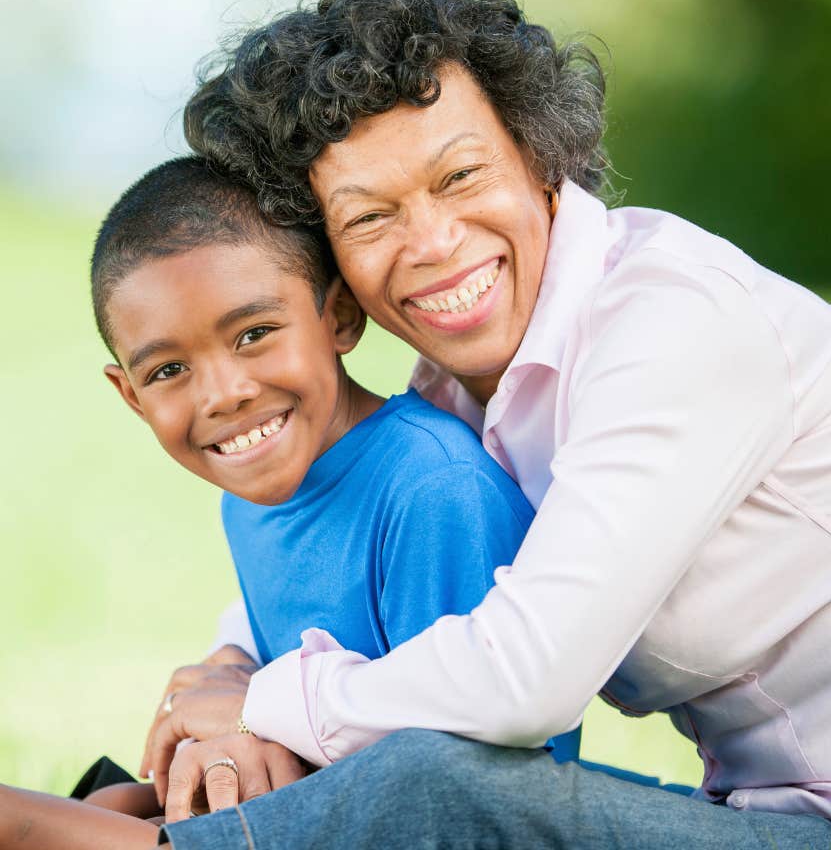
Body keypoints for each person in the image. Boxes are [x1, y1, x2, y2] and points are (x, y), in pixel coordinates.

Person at [148, 0, 831, 849]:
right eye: (369, 216)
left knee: (438, 781)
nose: (434, 243)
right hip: (771, 813)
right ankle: (135, 819)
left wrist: (264, 700)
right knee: (413, 769)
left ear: (541, 160)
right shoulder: (455, 393)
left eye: (461, 177)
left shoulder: (675, 323)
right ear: (330, 273)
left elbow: (528, 679)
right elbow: (336, 574)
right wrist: (226, 675)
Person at [0, 155, 571, 849]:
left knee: (27, 824)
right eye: (169, 370)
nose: (222, 395)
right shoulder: (252, 496)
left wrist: (252, 737)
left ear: (338, 316)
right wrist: (235, 732)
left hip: (451, 826)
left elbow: (460, 787)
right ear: (131, 396)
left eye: (253, 335)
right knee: (120, 796)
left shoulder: (432, 490)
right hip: (330, 803)